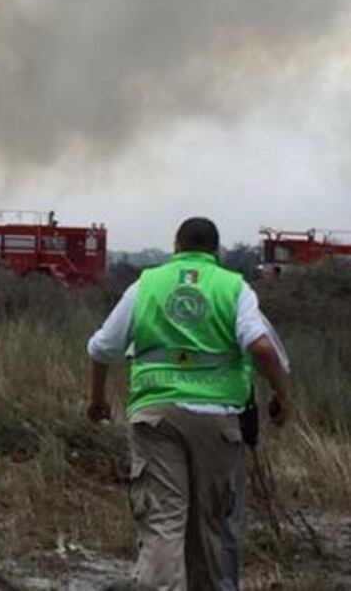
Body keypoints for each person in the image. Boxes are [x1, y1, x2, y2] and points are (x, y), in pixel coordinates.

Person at [86, 217, 290, 591]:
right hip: (218, 422)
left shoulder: (146, 285)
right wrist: (281, 395)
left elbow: (101, 347)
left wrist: (97, 400)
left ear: (176, 246)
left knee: (164, 522)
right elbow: (261, 347)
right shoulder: (234, 287)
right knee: (209, 528)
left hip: (157, 417)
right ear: (216, 251)